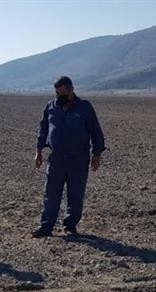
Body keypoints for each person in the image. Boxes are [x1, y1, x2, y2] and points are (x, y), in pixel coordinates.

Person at [33, 76, 106, 238]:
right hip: (56, 158)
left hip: (78, 159)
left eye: (63, 93)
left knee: (76, 194)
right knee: (51, 193)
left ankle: (70, 226)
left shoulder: (85, 108)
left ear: (72, 90)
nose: (60, 96)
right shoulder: (51, 107)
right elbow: (43, 129)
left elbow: (95, 131)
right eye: (57, 93)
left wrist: (97, 154)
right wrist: (38, 151)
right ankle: (46, 227)